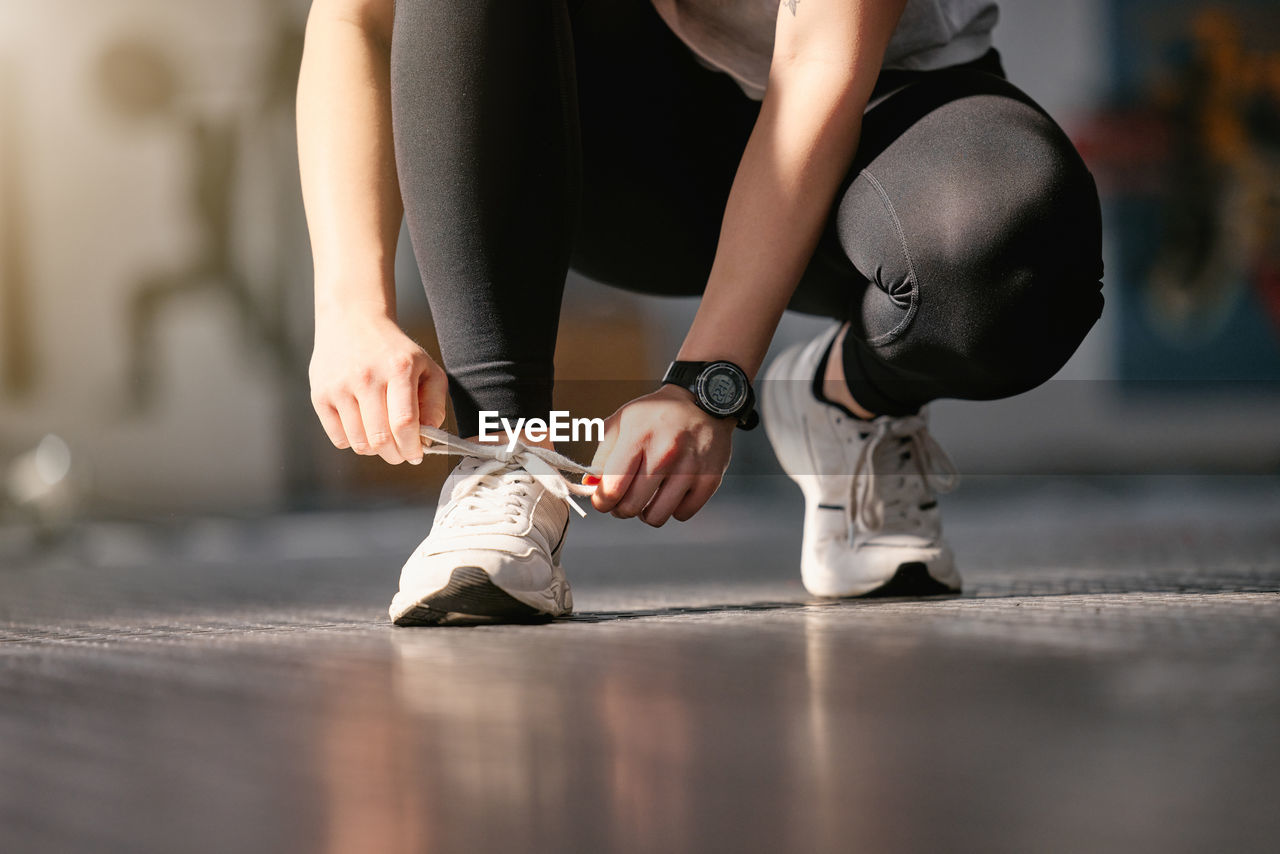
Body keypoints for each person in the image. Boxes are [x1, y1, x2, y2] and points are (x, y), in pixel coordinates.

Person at [296, 0, 1104, 625]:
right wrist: (350, 310)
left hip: (873, 115)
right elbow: (356, 18)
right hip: (605, 139)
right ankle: (499, 458)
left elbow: (819, 68)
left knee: (1017, 262)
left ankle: (847, 398)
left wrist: (707, 383)